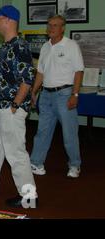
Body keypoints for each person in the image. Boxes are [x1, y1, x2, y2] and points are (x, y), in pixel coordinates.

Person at [0, 5, 38, 208]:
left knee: (16, 152)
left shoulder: (19, 46)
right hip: (1, 106)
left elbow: (27, 79)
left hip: (11, 108)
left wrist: (16, 104)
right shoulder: (7, 45)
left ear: (8, 20)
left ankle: (29, 196)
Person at [30, 15, 84, 178]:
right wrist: (33, 91)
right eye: (49, 25)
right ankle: (36, 163)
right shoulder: (45, 47)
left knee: (69, 133)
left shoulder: (71, 45)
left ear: (62, 28)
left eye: (55, 25)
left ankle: (75, 165)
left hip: (64, 94)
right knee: (42, 131)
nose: (51, 28)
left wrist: (75, 94)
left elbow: (79, 71)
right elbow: (40, 72)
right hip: (46, 95)